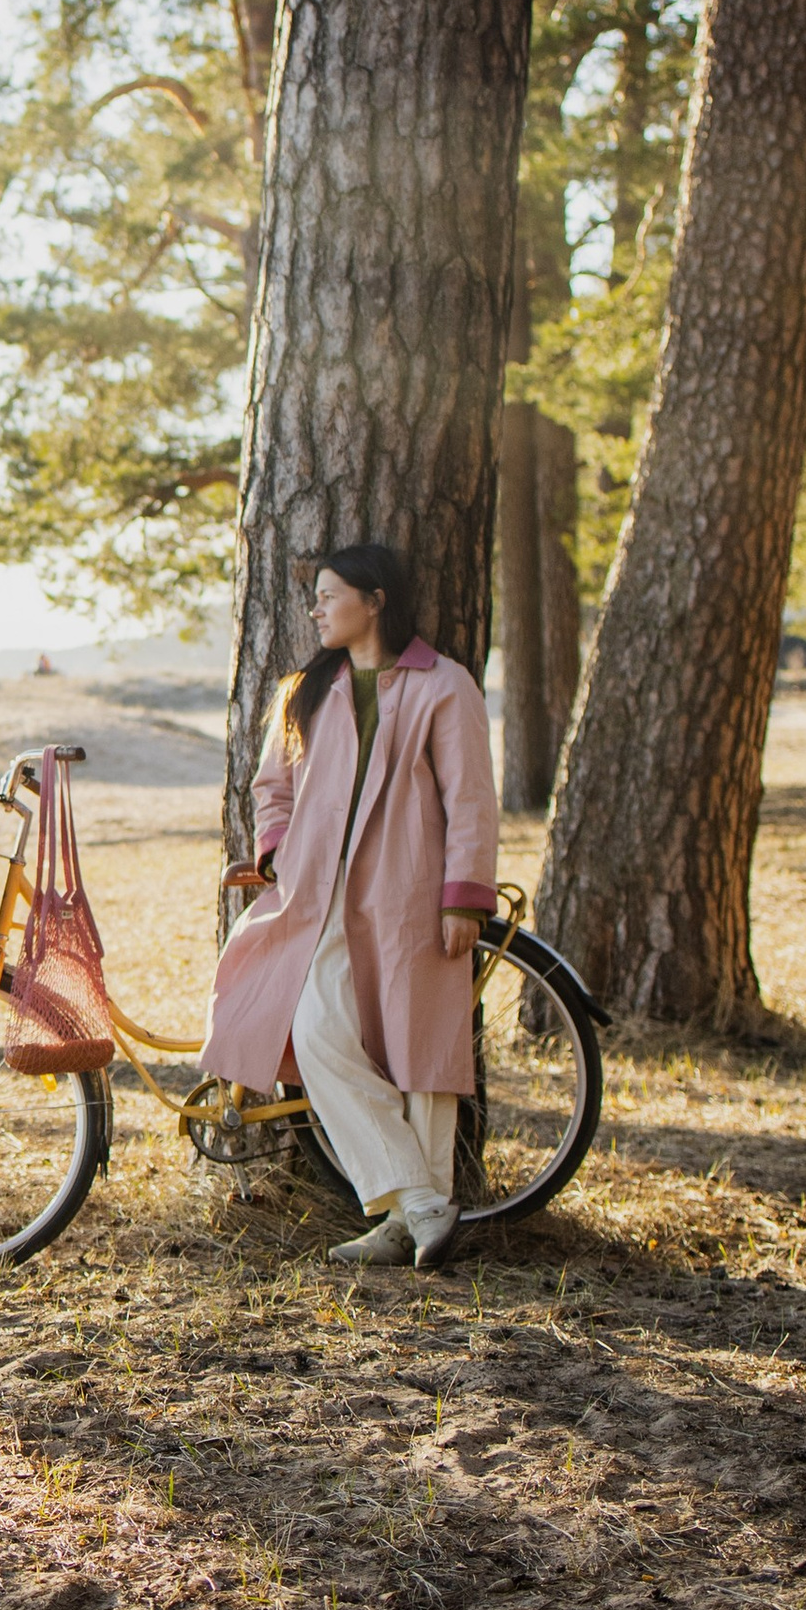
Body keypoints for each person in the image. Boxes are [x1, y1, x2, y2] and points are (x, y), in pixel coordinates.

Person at [200, 543, 499, 1270]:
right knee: (317, 1031)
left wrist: (465, 896)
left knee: (418, 1051)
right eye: (317, 596)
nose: (317, 608)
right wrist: (275, 852)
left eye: (331, 595)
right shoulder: (306, 688)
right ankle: (422, 1201)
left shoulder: (444, 685)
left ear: (375, 600)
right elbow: (272, 788)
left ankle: (407, 1225)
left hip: (409, 894)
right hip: (315, 897)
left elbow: (470, 800)